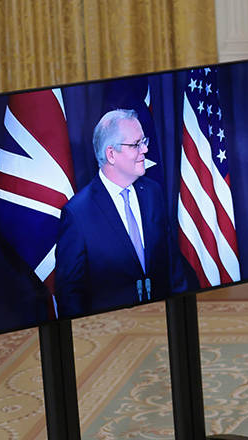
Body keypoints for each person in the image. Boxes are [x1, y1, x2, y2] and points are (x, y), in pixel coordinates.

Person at [55, 109, 177, 319]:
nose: (145, 149)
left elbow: (171, 265)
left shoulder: (152, 192)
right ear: (111, 154)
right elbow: (70, 298)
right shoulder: (77, 215)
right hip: (113, 333)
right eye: (136, 144)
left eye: (144, 141)